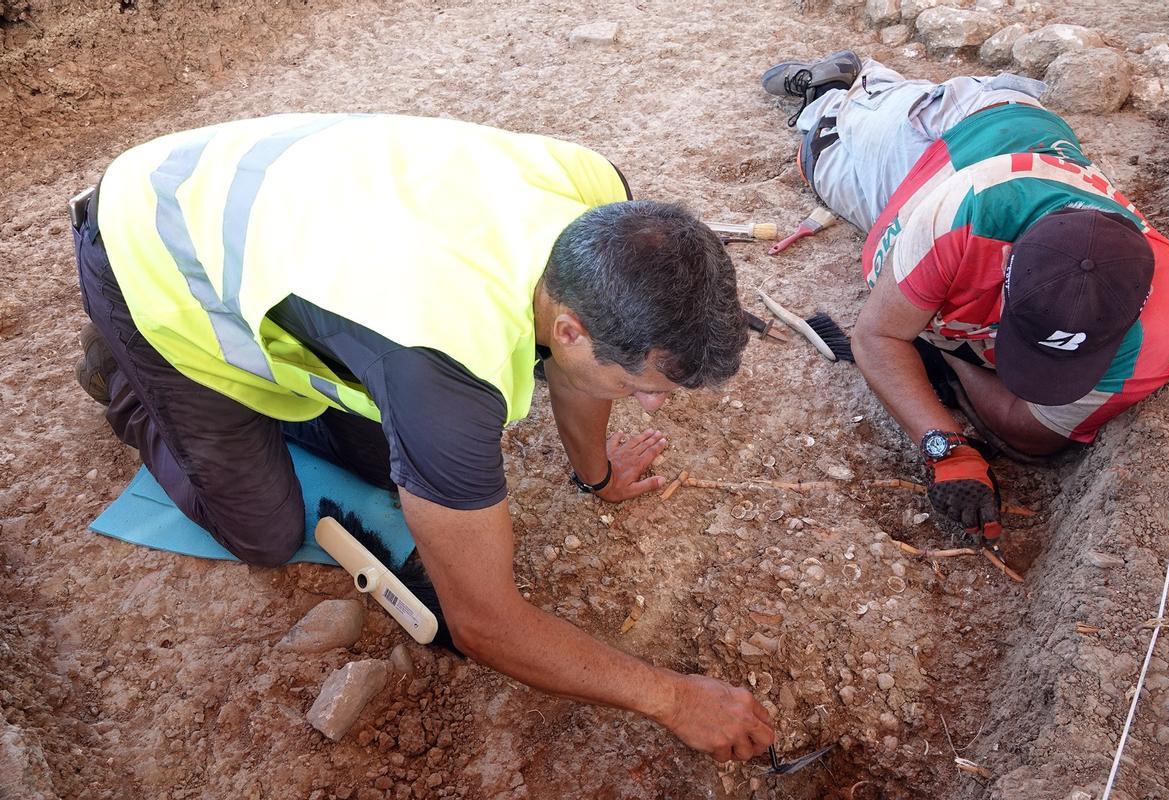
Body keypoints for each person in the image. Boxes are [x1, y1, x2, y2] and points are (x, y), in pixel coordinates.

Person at [71, 113, 773, 762]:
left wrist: (595, 475)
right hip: (152, 244)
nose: (651, 405)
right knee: (263, 529)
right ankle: (127, 373)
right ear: (570, 331)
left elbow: (579, 372)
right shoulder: (445, 376)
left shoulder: (598, 205)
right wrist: (674, 698)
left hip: (269, 204)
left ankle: (277, 360)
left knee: (397, 466)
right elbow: (484, 624)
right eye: (642, 384)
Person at [761, 52, 1169, 545]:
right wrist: (945, 444)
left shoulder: (1158, 330)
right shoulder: (960, 219)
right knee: (823, 151)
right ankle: (839, 89)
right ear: (1006, 266)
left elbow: (1028, 433)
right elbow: (876, 335)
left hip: (1020, 160)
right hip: (962, 136)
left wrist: (950, 351)